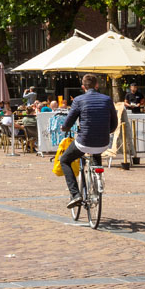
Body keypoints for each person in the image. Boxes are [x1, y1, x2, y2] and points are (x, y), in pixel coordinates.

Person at [58, 75, 117, 209]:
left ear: (83, 87)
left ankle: (75, 194)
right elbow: (114, 124)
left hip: (84, 142)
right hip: (103, 142)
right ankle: (98, 180)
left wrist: (64, 128)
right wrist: (105, 132)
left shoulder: (79, 100)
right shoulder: (107, 99)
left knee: (64, 160)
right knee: (96, 151)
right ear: (97, 86)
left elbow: (69, 121)